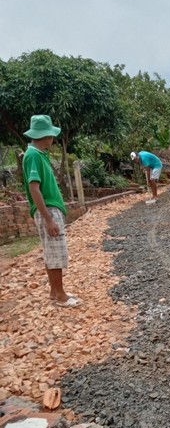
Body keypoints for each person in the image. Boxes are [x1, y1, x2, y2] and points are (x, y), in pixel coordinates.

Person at [22, 114, 80, 307]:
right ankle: (61, 295)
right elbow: (33, 188)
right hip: (47, 209)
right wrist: (48, 219)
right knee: (56, 252)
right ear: (45, 135)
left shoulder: (38, 154)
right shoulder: (32, 155)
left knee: (51, 251)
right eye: (51, 135)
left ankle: (55, 291)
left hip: (49, 208)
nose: (53, 139)